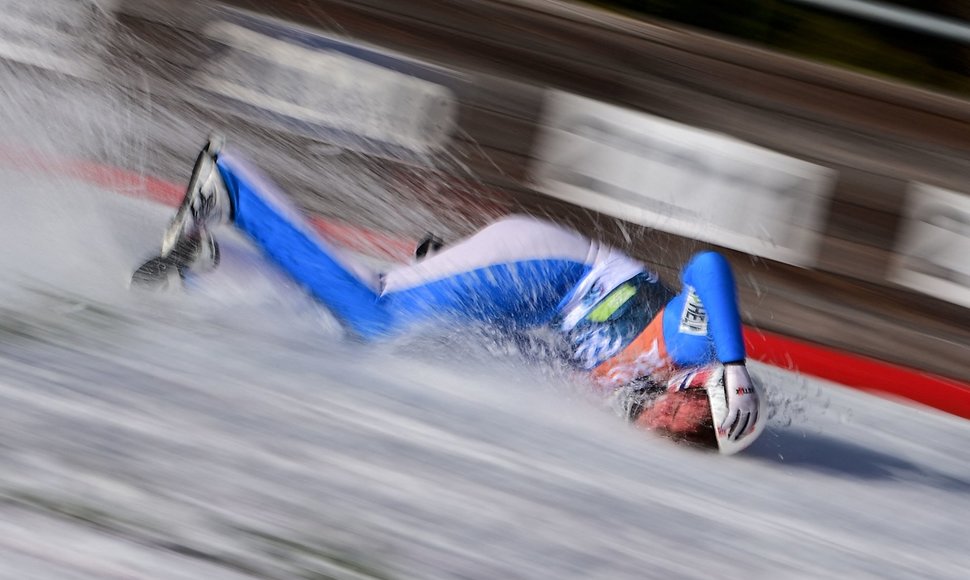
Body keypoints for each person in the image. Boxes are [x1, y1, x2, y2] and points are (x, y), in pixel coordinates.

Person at [135, 136, 765, 452]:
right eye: (693, 425)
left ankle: (212, 269)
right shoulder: (692, 346)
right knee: (379, 318)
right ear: (698, 391)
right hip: (547, 269)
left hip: (531, 298)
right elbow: (708, 267)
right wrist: (733, 364)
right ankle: (233, 186)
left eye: (693, 441)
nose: (676, 434)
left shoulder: (632, 402)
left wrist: (462, 310)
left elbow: (550, 355)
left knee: (401, 347)